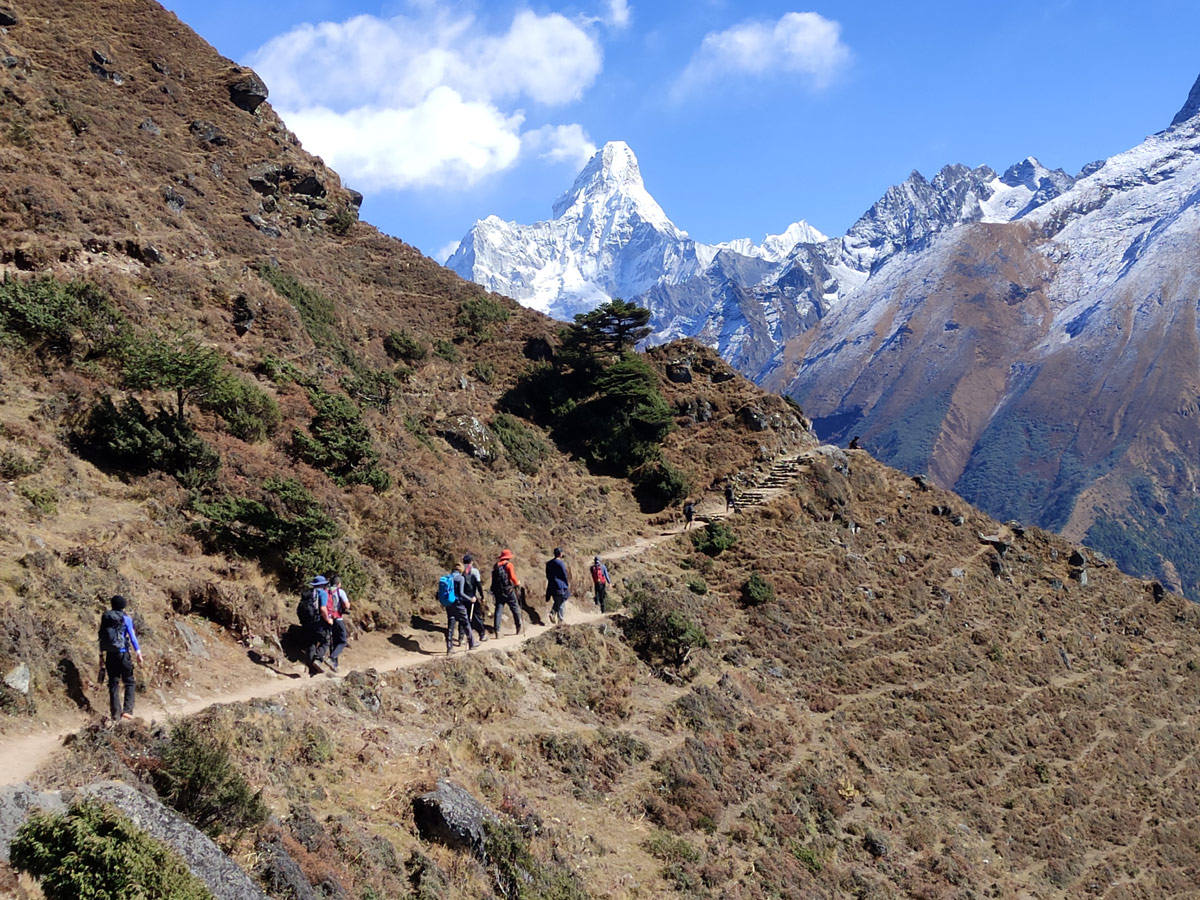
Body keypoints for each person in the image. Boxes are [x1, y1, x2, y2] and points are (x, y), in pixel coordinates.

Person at [97, 594, 142, 722]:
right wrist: (138, 652)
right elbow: (132, 637)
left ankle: (115, 714)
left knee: (113, 683)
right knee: (129, 681)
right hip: (123, 654)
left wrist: (101, 655)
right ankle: (127, 711)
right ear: (123, 606)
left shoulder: (106, 617)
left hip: (110, 654)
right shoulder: (125, 618)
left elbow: (101, 636)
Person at [303, 575, 332, 676]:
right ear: (323, 584)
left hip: (307, 622)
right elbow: (323, 608)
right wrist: (328, 620)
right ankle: (318, 660)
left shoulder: (308, 593)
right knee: (325, 641)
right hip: (318, 622)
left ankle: (310, 669)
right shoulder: (322, 593)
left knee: (311, 643)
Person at [444, 563, 477, 655]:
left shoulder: (447, 577)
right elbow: (461, 593)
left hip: (449, 604)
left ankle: (449, 648)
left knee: (450, 625)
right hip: (458, 604)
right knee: (465, 622)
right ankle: (471, 643)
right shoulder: (460, 578)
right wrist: (471, 599)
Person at [491, 549, 522, 636]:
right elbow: (512, 577)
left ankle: (497, 630)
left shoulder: (496, 566)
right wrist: (517, 583)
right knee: (515, 607)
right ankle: (518, 627)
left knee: (499, 610)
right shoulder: (509, 565)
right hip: (508, 590)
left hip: (498, 591)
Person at [460, 553, 488, 643]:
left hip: (462, 598)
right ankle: (482, 634)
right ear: (471, 562)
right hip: (472, 598)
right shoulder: (474, 571)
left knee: (463, 617)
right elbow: (478, 585)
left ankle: (461, 637)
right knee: (476, 616)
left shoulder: (460, 571)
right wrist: (482, 596)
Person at [327, 573, 350, 672]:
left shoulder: (326, 591)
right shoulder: (340, 591)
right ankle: (332, 658)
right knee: (342, 641)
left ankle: (334, 665)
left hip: (328, 618)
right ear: (338, 583)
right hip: (337, 618)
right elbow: (346, 605)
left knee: (334, 642)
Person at [545, 547, 570, 625]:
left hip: (551, 585)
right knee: (562, 601)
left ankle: (554, 613)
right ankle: (559, 619)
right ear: (560, 554)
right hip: (560, 585)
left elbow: (547, 575)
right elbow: (564, 574)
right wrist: (566, 583)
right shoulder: (560, 563)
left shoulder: (549, 563)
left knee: (557, 600)